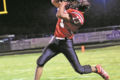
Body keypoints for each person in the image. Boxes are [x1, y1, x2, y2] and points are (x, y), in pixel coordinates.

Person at [34, 0, 109, 80]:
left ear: (79, 7)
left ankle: (98, 69)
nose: (73, 2)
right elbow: (54, 1)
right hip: (55, 41)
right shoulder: (69, 8)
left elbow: (59, 14)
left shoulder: (78, 17)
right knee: (40, 62)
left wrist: (63, 2)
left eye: (76, 2)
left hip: (66, 44)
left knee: (80, 70)